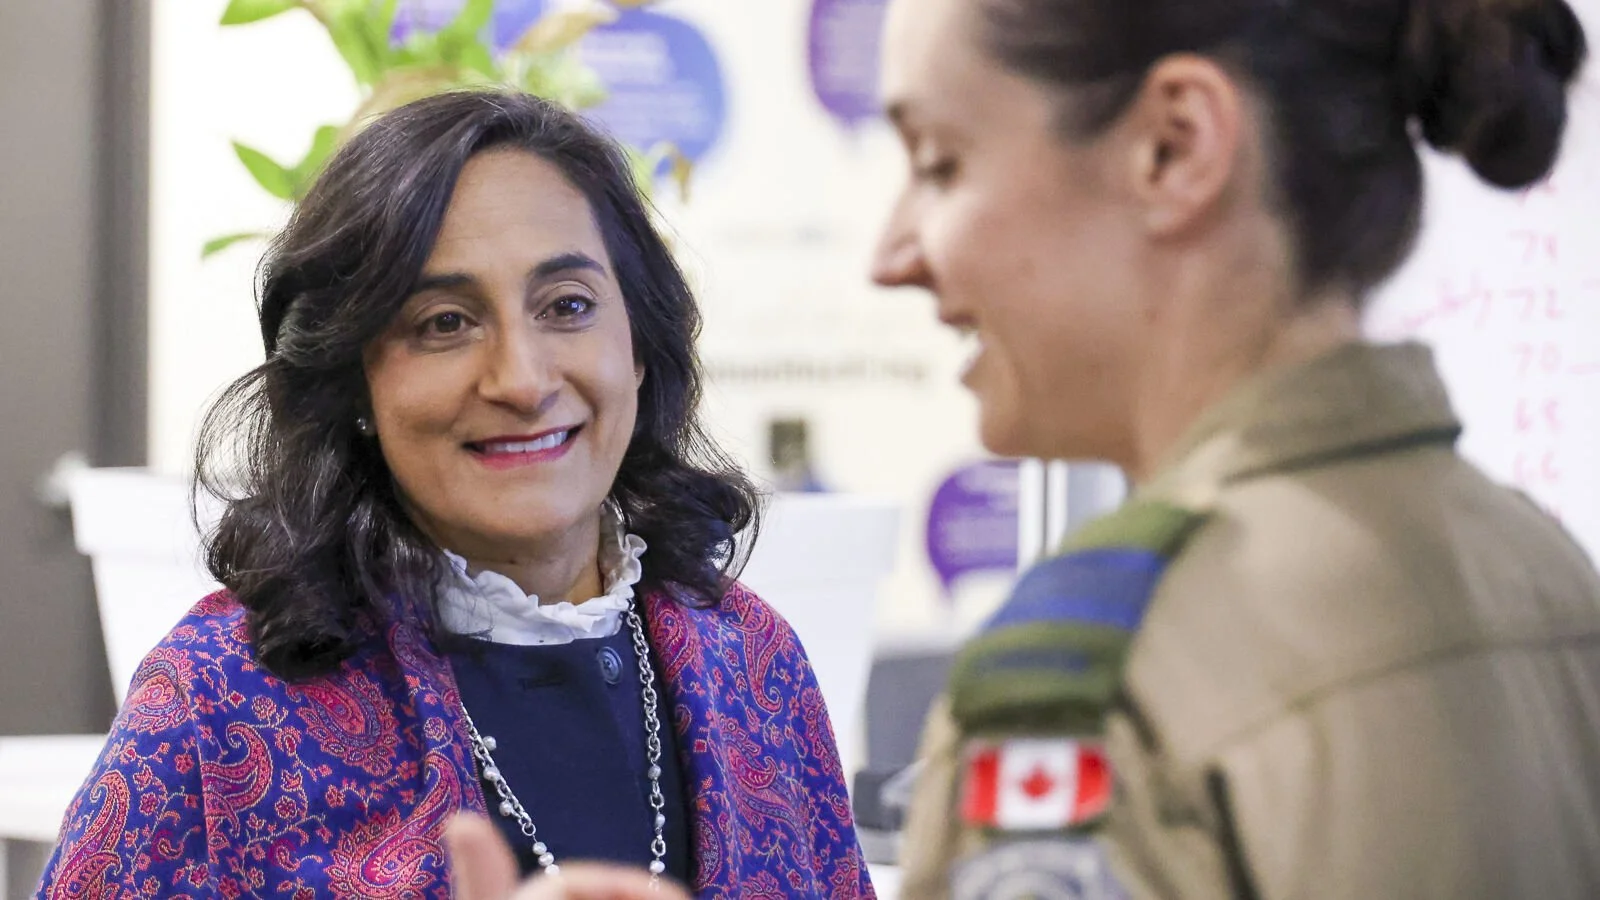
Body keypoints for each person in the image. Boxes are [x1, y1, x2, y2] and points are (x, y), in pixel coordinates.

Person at [451, 0, 1600, 896]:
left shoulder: (1100, 676)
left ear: (1173, 146)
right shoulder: (1536, 566)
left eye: (942, 162)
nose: (893, 252)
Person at [35, 90, 872, 899]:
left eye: (567, 305)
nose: (521, 379)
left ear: (642, 348)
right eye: (444, 322)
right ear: (353, 383)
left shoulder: (754, 662)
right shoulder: (215, 706)